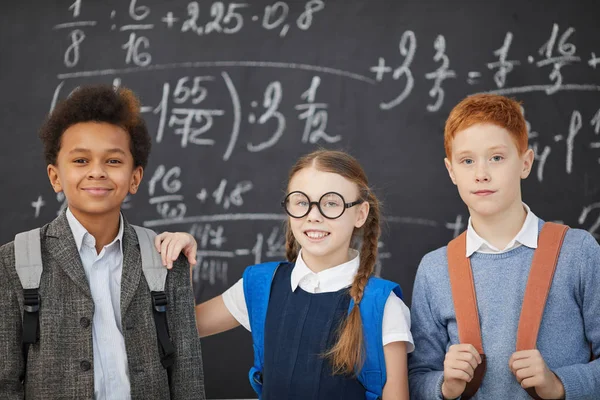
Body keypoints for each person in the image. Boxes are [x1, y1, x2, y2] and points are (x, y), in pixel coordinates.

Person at [0, 84, 205, 399]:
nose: (96, 172)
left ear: (135, 177)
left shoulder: (164, 259)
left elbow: (188, 377)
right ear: (55, 176)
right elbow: (6, 382)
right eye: (80, 161)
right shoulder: (14, 262)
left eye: (113, 161)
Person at [160, 149, 413, 399]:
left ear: (360, 214)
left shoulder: (382, 305)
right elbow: (182, 329)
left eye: (331, 203)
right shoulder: (260, 286)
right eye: (302, 202)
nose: (314, 216)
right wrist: (183, 264)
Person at [408, 93, 600, 399]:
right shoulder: (435, 269)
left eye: (496, 157)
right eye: (467, 160)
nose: (481, 173)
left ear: (525, 163)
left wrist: (560, 384)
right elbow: (415, 378)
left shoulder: (577, 252)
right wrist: (443, 386)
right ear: (451, 171)